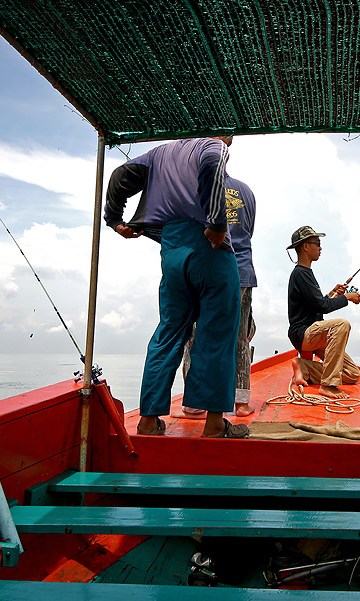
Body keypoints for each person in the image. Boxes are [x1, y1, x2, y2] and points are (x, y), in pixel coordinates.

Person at [104, 136, 249, 439]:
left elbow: (120, 175)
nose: (231, 139)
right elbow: (211, 165)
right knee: (217, 334)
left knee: (169, 330)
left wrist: (114, 218)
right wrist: (217, 223)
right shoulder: (212, 146)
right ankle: (214, 425)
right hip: (209, 248)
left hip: (171, 249)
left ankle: (148, 421)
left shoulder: (159, 152)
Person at [181, 174, 257, 418]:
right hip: (241, 268)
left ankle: (194, 404)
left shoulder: (194, 186)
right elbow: (249, 232)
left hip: (204, 270)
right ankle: (241, 402)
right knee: (240, 338)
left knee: (195, 335)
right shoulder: (245, 190)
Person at [286, 225, 360, 399]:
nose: (320, 248)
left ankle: (304, 367)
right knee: (342, 324)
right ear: (305, 246)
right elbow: (322, 306)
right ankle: (328, 385)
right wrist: (348, 298)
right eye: (317, 243)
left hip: (314, 333)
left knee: (352, 374)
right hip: (303, 333)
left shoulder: (306, 274)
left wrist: (334, 293)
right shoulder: (300, 273)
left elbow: (317, 305)